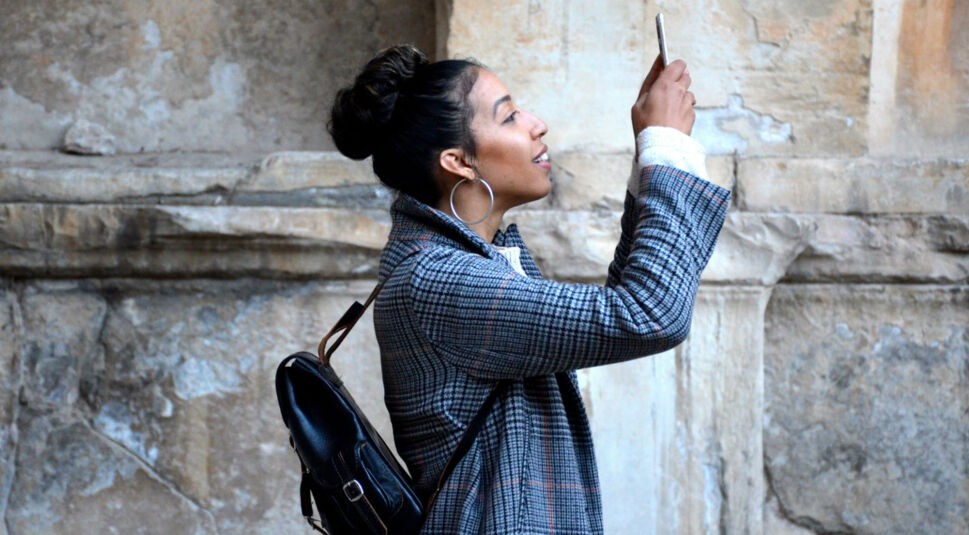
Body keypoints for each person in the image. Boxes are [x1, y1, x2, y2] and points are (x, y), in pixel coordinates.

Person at [328, 44, 729, 534]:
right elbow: (649, 313)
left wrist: (652, 151)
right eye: (510, 116)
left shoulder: (468, 262)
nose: (537, 124)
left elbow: (628, 302)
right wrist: (667, 147)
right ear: (459, 161)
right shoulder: (438, 281)